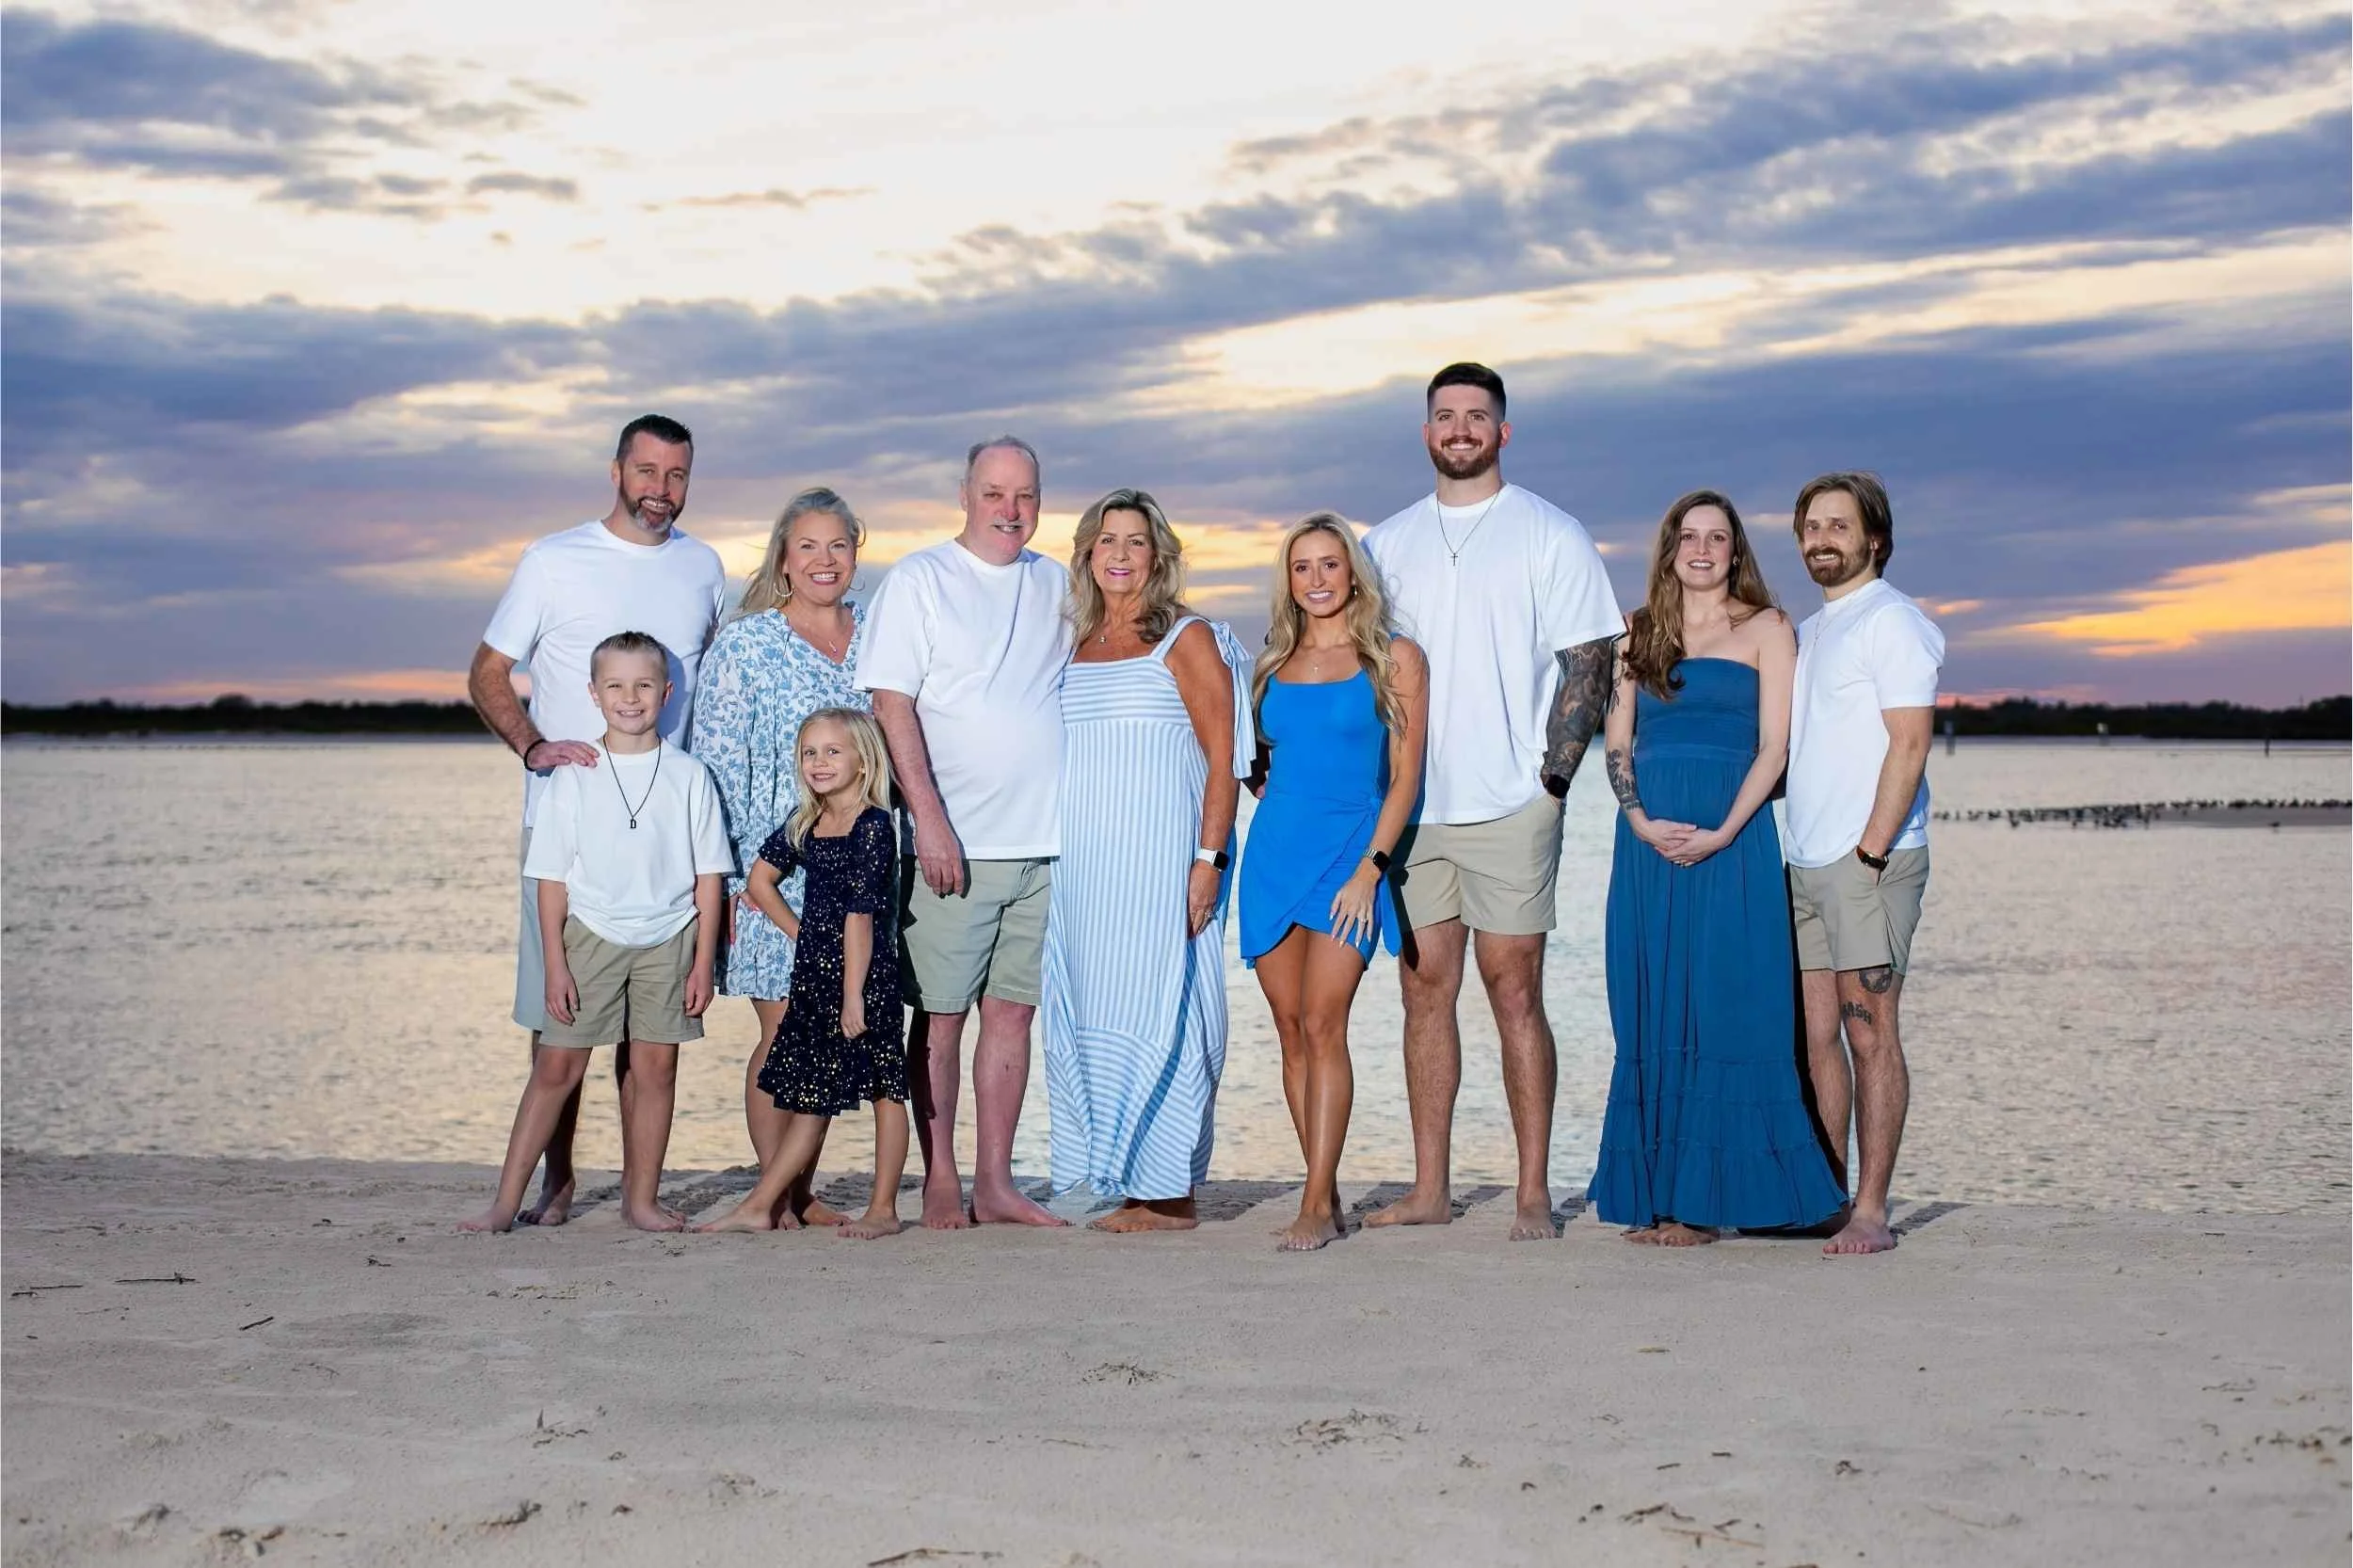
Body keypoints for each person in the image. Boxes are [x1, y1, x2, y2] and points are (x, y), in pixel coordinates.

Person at [1360, 363, 1622, 1240]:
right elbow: (1357, 671)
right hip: (1415, 811)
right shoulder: (1386, 543)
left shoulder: (1550, 532)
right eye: (1446, 416)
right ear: (1426, 431)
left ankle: (1532, 1193)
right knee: (1424, 995)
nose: (1461, 428)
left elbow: (1591, 661)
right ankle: (1430, 1189)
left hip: (1514, 804)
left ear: (1502, 432)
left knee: (1516, 994)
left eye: (1477, 416)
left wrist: (1552, 785)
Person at [469, 414, 728, 1226]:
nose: (661, 490)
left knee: (647, 1042)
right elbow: (488, 674)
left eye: (677, 475)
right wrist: (534, 746)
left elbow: (706, 687)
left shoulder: (704, 567)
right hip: (571, 829)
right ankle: (558, 1179)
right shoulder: (554, 560)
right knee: (564, 1018)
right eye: (646, 471)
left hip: (664, 842)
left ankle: (638, 1196)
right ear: (616, 472)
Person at [1586, 491, 1847, 1243]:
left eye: (1718, 538)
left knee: (1732, 1005)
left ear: (1736, 552)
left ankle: (1708, 1207)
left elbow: (1776, 747)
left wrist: (1727, 829)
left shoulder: (1767, 628)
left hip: (1735, 844)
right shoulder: (1635, 633)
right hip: (1647, 849)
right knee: (1653, 1006)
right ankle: (1664, 1198)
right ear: (1670, 548)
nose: (1703, 549)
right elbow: (1617, 742)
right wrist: (1638, 820)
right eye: (1690, 537)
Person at [856, 436, 1071, 1229]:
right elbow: (890, 703)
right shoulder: (920, 579)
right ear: (966, 494)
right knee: (940, 1016)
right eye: (994, 494)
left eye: (1025, 496)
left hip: (1046, 844)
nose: (1010, 512)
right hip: (955, 844)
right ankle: (939, 1175)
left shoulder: (1059, 584)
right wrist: (932, 822)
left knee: (1012, 1013)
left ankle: (997, 1180)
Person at [1039, 489, 1254, 1233]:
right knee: (1093, 1010)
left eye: (1136, 541)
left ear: (1158, 555)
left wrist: (1209, 859)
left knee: (1170, 1006)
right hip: (1086, 868)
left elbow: (1224, 758)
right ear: (1087, 554)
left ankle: (1168, 1195)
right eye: (1107, 541)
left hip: (1163, 861)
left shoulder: (1185, 637)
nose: (1121, 555)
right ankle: (1116, 1175)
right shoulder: (1075, 642)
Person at [1239, 514, 1428, 1252]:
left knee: (1325, 1024)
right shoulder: (1270, 665)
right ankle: (1325, 1184)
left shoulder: (1394, 659)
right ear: (1288, 581)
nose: (1317, 579)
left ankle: (1315, 1204)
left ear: (1352, 571)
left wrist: (1369, 871)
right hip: (1274, 857)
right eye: (1302, 567)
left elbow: (1406, 780)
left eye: (1329, 564)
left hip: (1354, 858)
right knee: (1290, 1030)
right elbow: (1257, 765)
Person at [689, 487, 870, 1229]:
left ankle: (793, 1192)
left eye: (839, 546)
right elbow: (717, 761)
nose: (824, 561)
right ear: (784, 560)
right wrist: (725, 877)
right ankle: (776, 1193)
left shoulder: (879, 637)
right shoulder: (747, 642)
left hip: (856, 864)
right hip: (772, 868)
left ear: (856, 554)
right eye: (809, 547)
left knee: (831, 1025)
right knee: (789, 1025)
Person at [1785, 472, 1944, 1256]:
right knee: (1815, 1036)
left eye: (1838, 526)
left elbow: (1909, 742)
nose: (1822, 539)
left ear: (1873, 539)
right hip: (1804, 862)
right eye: (1812, 526)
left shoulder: (1895, 622)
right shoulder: (1812, 632)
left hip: (1867, 863)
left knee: (1869, 1031)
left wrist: (1871, 851)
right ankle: (1828, 1195)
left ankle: (1873, 1211)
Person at [698, 710, 909, 1239]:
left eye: (833, 751)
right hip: (817, 976)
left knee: (887, 1087)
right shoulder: (807, 821)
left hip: (865, 979)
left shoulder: (873, 826)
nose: (818, 762)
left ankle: (882, 1208)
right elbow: (759, 881)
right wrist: (804, 935)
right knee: (811, 1091)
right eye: (809, 752)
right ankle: (764, 1202)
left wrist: (854, 997)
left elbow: (862, 917)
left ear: (863, 762)